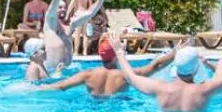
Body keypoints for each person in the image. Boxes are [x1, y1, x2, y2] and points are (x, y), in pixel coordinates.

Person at [119, 32, 222, 112]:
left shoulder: (160, 88)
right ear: (196, 69)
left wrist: (118, 52)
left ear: (176, 66)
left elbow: (131, 77)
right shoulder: (205, 89)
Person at [36, 37, 175, 98]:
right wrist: (176, 51)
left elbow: (60, 86)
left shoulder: (87, 74)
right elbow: (156, 65)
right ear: (115, 56)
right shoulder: (126, 75)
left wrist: (37, 89)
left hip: (93, 109)